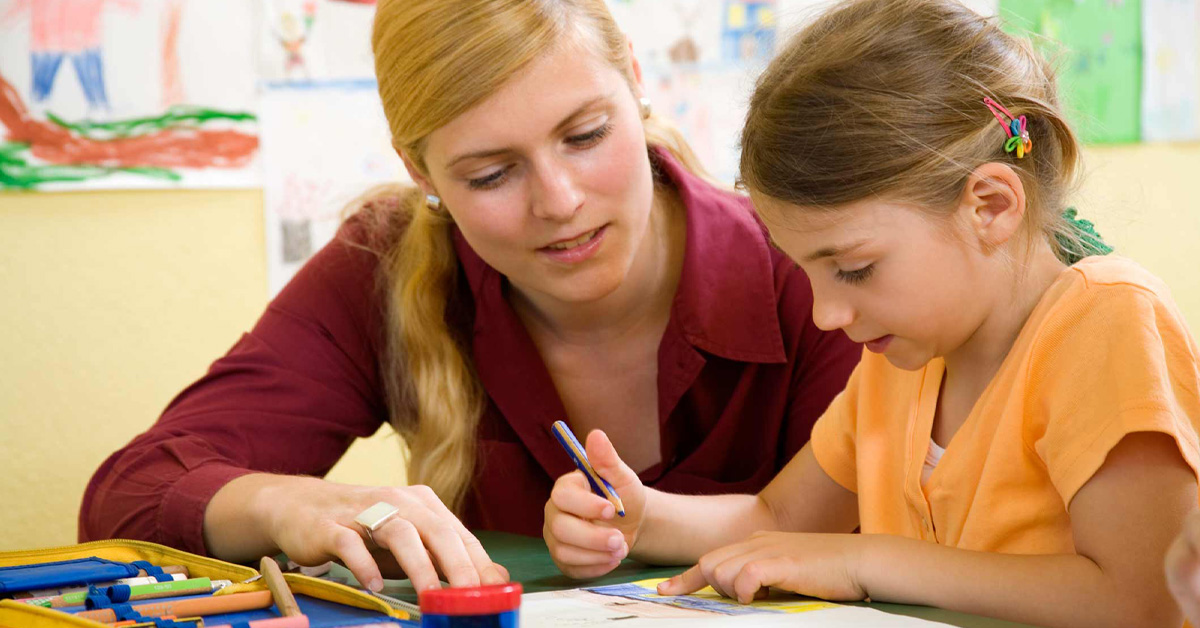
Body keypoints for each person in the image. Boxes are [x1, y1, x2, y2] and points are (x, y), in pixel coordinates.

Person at [78, 0, 861, 597]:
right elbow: (127, 500)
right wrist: (295, 505)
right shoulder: (384, 264)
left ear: (634, 79)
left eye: (586, 135)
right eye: (491, 174)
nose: (559, 202)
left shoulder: (809, 266)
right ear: (420, 171)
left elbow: (894, 530)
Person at [543, 0, 1200, 625]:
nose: (826, 314)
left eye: (855, 269)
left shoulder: (1107, 321)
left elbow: (1140, 600)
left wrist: (867, 559)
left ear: (992, 206)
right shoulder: (904, 361)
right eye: (807, 271)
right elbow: (780, 519)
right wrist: (641, 518)